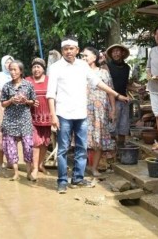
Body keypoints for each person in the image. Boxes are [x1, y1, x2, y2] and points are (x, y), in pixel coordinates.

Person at [47, 36, 129, 194]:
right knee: (63, 149)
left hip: (81, 114)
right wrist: (53, 114)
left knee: (81, 148)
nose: (69, 51)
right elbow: (51, 93)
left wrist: (117, 95)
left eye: (72, 48)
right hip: (63, 113)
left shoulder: (82, 67)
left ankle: (78, 177)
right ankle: (62, 181)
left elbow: (99, 83)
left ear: (77, 50)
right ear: (62, 50)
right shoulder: (56, 67)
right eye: (66, 49)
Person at [82, 47, 116, 177]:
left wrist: (113, 109)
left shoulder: (104, 73)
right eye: (83, 56)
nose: (84, 58)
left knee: (99, 140)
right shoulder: (79, 72)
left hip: (100, 112)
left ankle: (94, 168)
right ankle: (83, 167)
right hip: (82, 110)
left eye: (86, 56)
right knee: (82, 139)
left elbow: (110, 91)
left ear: (95, 57)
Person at [0, 60, 36, 181]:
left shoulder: (28, 85)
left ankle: (29, 172)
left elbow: (33, 102)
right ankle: (15, 173)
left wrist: (25, 100)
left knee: (28, 147)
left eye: (15, 69)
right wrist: (11, 100)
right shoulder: (6, 86)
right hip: (10, 120)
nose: (13, 72)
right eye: (11, 69)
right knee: (11, 147)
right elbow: (3, 104)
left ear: (21, 71)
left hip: (24, 120)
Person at [25, 58, 51, 181]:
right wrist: (29, 102)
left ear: (43, 68)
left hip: (47, 115)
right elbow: (22, 96)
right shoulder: (28, 81)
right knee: (35, 142)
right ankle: (34, 168)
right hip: (32, 115)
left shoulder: (49, 80)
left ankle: (41, 164)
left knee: (45, 141)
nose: (36, 69)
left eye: (38, 67)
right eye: (34, 67)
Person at [106, 44, 131, 150]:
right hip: (111, 100)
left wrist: (137, 88)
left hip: (124, 100)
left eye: (118, 51)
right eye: (113, 52)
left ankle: (121, 150)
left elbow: (126, 83)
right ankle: (111, 151)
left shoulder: (126, 68)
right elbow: (107, 85)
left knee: (123, 127)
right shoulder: (107, 66)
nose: (115, 53)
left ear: (122, 53)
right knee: (112, 127)